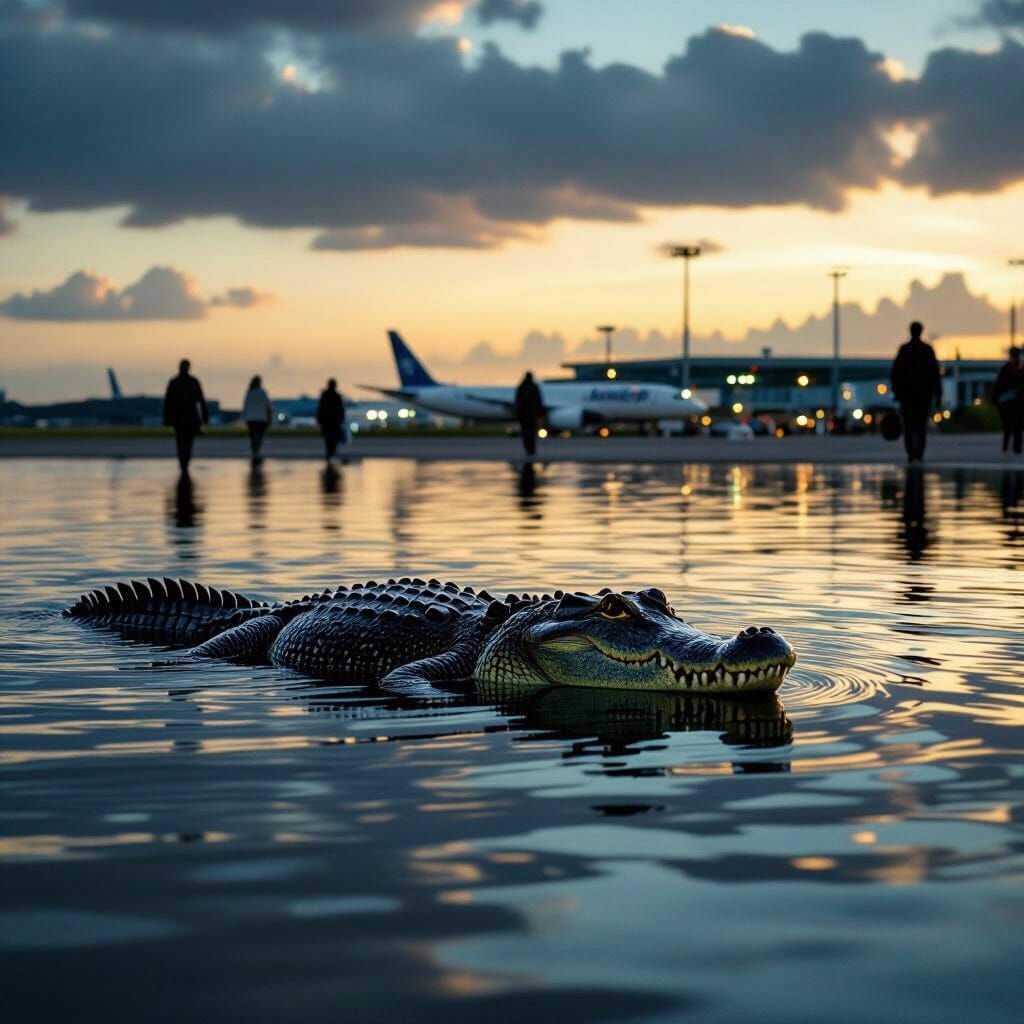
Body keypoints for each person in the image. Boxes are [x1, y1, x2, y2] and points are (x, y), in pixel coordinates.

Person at [890, 321, 941, 463]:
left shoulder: (904, 350)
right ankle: (919, 452)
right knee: (920, 425)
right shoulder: (927, 350)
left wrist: (896, 391)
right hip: (923, 395)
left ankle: (911, 452)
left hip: (907, 396)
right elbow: (935, 373)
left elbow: (895, 373)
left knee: (908, 425)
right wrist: (938, 393)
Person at [162, 359, 208, 473]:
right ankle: (185, 462)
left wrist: (167, 418)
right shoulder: (193, 381)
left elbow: (168, 402)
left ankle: (183, 462)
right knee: (188, 442)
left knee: (180, 441)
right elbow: (201, 400)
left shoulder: (174, 382)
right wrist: (205, 416)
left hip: (178, 418)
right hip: (190, 417)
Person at [992, 346, 1023, 455]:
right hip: (1010, 402)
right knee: (1010, 426)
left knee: (1014, 426)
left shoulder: (1010, 368)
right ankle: (1011, 447)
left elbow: (998, 385)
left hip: (1015, 402)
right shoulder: (1009, 368)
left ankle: (1014, 447)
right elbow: (998, 385)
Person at [242, 375, 273, 464]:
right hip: (261, 419)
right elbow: (268, 406)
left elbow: (245, 405)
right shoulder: (262, 392)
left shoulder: (249, 392)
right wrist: (269, 417)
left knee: (253, 436)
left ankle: (254, 452)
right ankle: (257, 452)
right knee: (259, 436)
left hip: (251, 419)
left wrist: (244, 417)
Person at [514, 371, 544, 458]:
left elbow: (518, 402)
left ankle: (528, 449)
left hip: (524, 416)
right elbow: (539, 401)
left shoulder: (521, 388)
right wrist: (539, 413)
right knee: (531, 434)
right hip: (532, 415)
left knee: (526, 434)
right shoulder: (534, 388)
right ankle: (532, 450)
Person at [316, 378, 346, 463]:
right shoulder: (337, 396)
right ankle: (331, 453)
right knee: (333, 439)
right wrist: (342, 419)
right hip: (334, 422)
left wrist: (319, 420)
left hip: (327, 422)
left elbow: (320, 409)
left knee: (328, 440)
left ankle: (329, 454)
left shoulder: (325, 395)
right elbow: (341, 409)